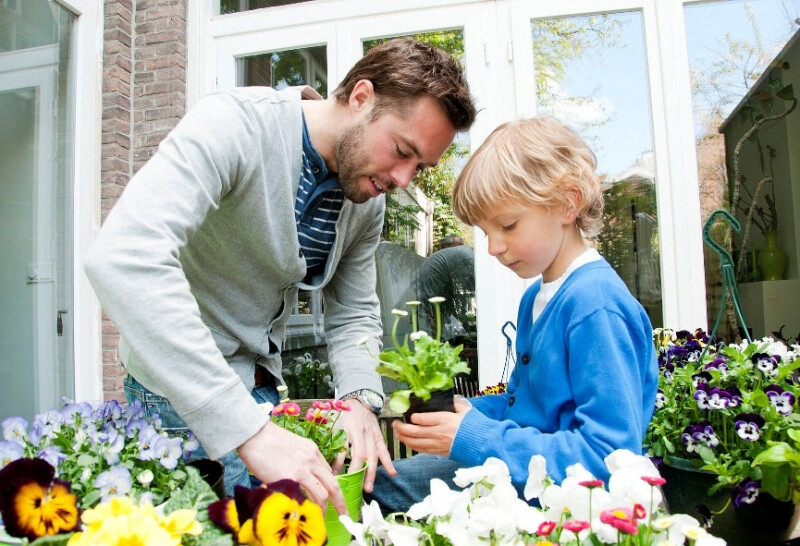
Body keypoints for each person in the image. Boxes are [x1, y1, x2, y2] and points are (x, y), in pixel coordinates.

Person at [83, 37, 477, 513]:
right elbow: (123, 257)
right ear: (360, 97)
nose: (403, 180)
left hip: (260, 391)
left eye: (421, 166)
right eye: (402, 150)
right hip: (176, 397)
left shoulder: (365, 204)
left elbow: (353, 311)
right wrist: (248, 430)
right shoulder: (237, 124)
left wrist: (357, 397)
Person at [367, 116, 658, 514]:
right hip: (518, 478)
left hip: (560, 506)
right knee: (382, 481)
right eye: (486, 232)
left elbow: (609, 460)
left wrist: (475, 436)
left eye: (507, 225)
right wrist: (470, 413)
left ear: (568, 203)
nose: (492, 248)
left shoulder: (594, 305)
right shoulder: (536, 298)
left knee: (379, 492)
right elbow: (529, 409)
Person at [415, 236, 476, 340]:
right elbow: (466, 303)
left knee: (436, 332)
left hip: (430, 292)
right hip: (432, 294)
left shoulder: (458, 256)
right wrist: (475, 333)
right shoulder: (466, 256)